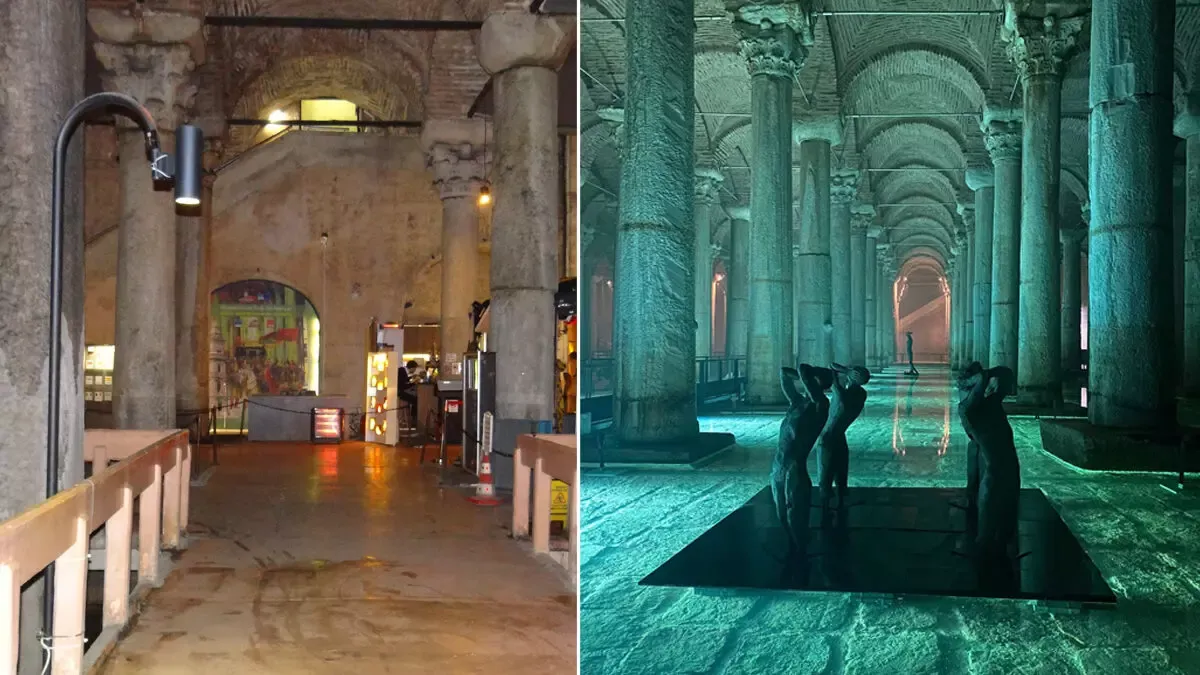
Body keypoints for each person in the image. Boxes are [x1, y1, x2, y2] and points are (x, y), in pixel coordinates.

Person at [771, 364, 833, 552]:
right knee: (781, 513)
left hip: (794, 469)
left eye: (814, 382)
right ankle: (792, 550)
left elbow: (803, 372)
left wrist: (810, 374)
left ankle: (801, 556)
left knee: (794, 516)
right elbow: (783, 372)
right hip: (778, 465)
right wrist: (809, 374)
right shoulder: (797, 403)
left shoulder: (821, 406)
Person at [817, 363, 870, 510]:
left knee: (825, 474)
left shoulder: (841, 396)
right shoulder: (862, 395)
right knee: (841, 472)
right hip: (841, 437)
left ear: (852, 378)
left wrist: (847, 370)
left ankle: (825, 509)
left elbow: (831, 367)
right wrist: (850, 373)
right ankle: (841, 502)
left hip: (828, 438)